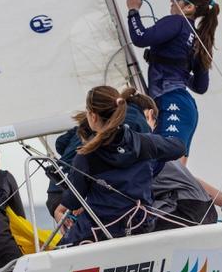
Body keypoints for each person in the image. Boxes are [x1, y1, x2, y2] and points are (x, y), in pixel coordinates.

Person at [126, 0, 222, 222]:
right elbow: (200, 85)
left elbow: (140, 37)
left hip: (171, 104)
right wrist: (172, 64)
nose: (172, 1)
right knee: (173, 172)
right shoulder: (197, 36)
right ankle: (191, 213)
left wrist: (133, 10)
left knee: (166, 167)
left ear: (189, 7)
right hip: (183, 106)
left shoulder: (176, 22)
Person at [53, 86, 184, 244]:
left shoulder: (86, 156)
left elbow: (74, 199)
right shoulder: (144, 142)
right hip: (139, 226)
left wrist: (60, 209)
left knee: (56, 250)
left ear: (93, 116)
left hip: (100, 231)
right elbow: (178, 148)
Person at [45, 88, 156, 217]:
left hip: (56, 189)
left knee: (76, 235)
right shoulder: (137, 122)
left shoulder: (91, 122)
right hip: (77, 194)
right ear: (150, 114)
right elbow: (147, 164)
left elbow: (60, 143)